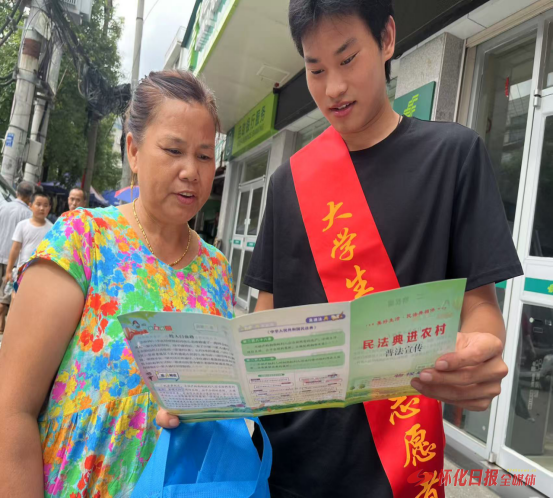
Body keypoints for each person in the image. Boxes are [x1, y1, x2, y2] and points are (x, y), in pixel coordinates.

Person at [158, 1, 524, 497]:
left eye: (347, 59)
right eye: (315, 69)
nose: (333, 88)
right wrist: (205, 394)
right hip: (288, 468)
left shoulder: (453, 157)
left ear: (387, 38)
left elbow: (480, 308)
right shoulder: (288, 182)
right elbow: (264, 323)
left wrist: (477, 355)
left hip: (399, 468)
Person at [0, 70, 234, 498]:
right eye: (173, 150)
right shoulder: (82, 239)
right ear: (134, 150)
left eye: (204, 156)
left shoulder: (216, 269)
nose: (191, 171)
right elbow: (11, 409)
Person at [0, 180, 34, 334]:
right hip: (12, 262)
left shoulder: (3, 207)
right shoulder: (29, 215)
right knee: (4, 297)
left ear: (17, 192)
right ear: (29, 197)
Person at [4, 192, 53, 289]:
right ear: (30, 206)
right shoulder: (22, 225)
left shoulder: (52, 229)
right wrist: (9, 270)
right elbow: (15, 249)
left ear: (49, 208)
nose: (42, 208)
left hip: (42, 273)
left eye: (45, 205)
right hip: (22, 271)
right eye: (38, 204)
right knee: (16, 294)